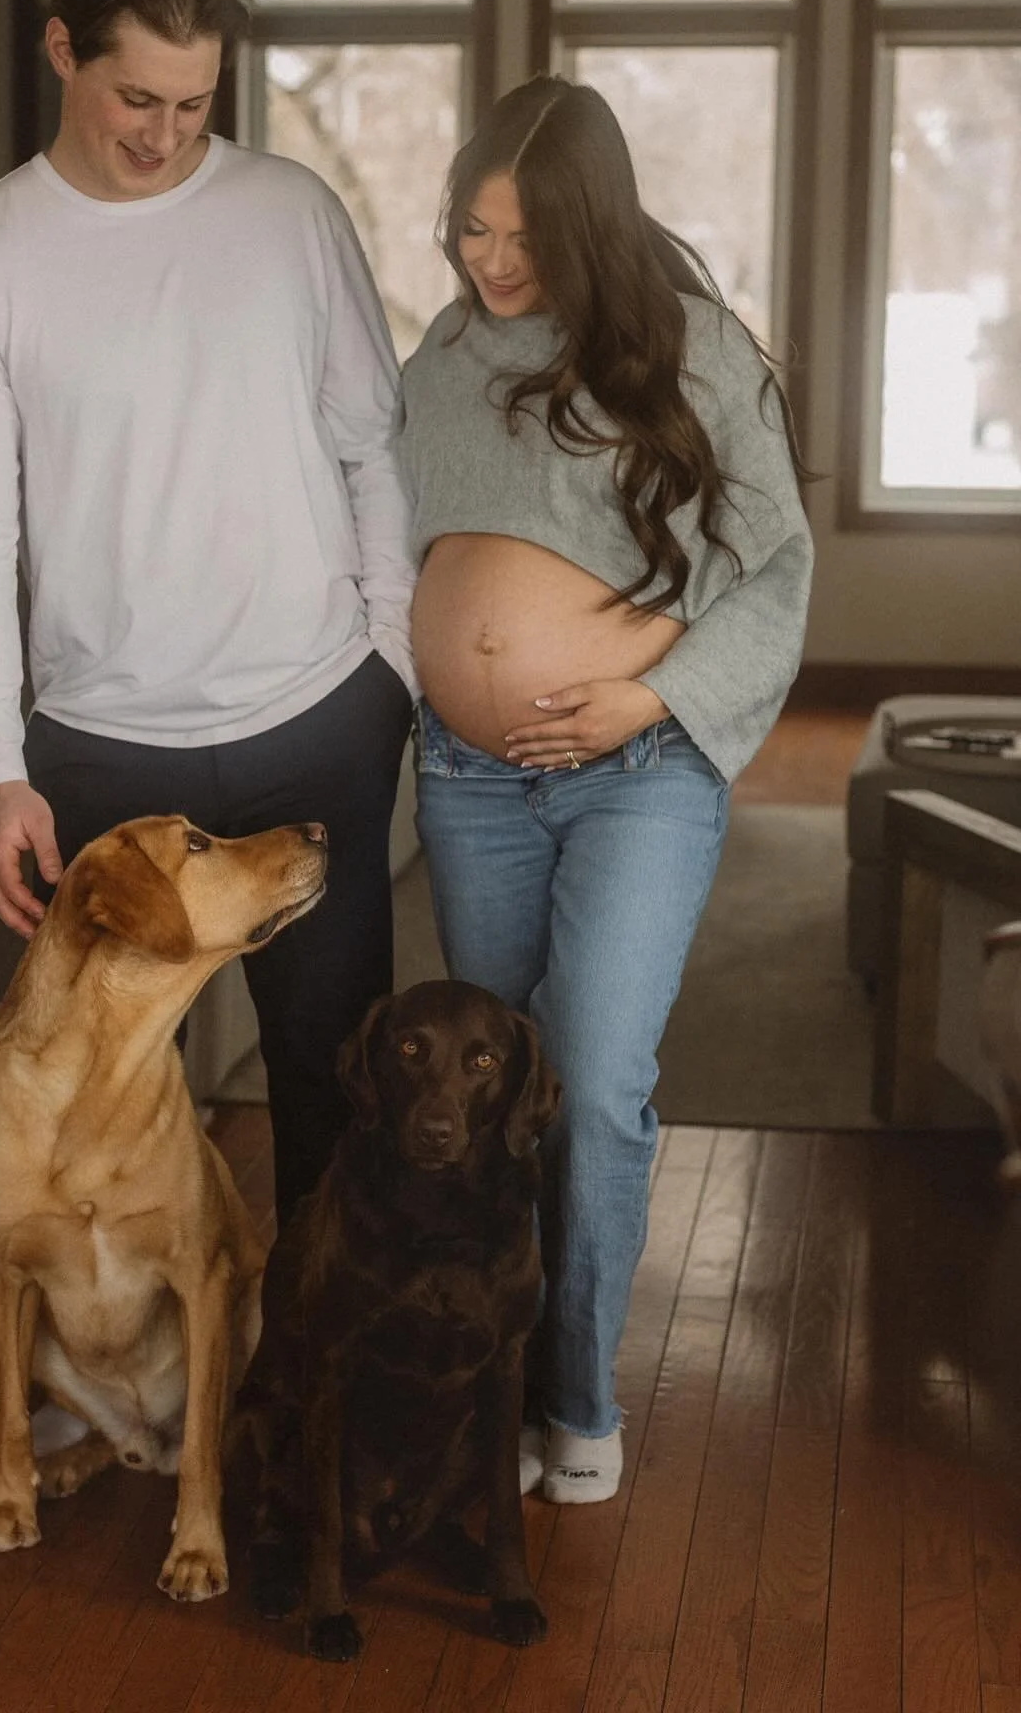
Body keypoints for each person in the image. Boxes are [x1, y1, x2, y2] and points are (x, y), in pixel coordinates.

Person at [0, 0, 416, 1223]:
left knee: (333, 1089)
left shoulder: (290, 214)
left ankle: (305, 1413)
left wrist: (391, 675)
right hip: (99, 753)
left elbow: (373, 447)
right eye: (137, 97)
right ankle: (150, 1408)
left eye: (195, 103)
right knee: (105, 1102)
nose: (166, 132)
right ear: (62, 50)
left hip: (316, 723)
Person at [397, 75, 813, 1504]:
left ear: (595, 226)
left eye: (525, 237)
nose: (493, 263)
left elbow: (776, 568)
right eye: (470, 229)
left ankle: (575, 1394)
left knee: (598, 1079)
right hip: (466, 777)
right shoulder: (445, 358)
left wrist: (652, 694)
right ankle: (491, 1385)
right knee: (489, 1092)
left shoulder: (691, 351)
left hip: (639, 771)